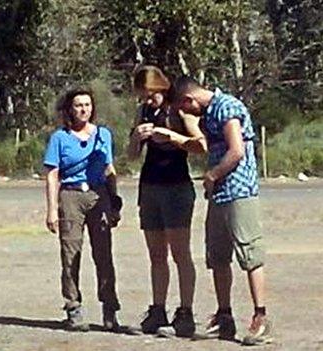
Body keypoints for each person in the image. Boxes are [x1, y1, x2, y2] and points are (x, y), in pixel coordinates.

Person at [167, 76, 272, 346]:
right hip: (220, 195)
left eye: (185, 108)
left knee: (250, 254)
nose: (188, 113)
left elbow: (236, 150)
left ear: (189, 100)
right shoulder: (208, 113)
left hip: (239, 191)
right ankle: (224, 316)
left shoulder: (226, 107)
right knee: (217, 256)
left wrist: (213, 174)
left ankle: (261, 315)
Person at [127, 66, 207, 337]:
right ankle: (157, 308)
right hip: (150, 186)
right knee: (156, 254)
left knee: (180, 253)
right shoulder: (143, 113)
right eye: (144, 96)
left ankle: (185, 312)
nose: (148, 101)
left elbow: (201, 145)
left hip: (177, 187)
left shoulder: (180, 110)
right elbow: (131, 156)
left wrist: (173, 137)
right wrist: (137, 138)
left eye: (151, 95)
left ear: (162, 88)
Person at [43, 87, 123, 332]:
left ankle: (109, 308)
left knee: (103, 254)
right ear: (70, 109)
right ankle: (73, 306)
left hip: (98, 194)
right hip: (71, 194)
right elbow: (52, 174)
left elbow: (109, 169)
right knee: (70, 253)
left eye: (87, 105)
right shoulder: (60, 138)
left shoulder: (103, 135)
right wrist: (52, 210)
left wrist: (114, 202)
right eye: (78, 105)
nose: (83, 109)